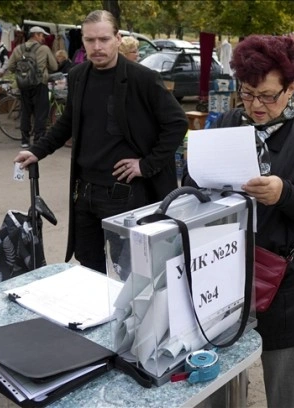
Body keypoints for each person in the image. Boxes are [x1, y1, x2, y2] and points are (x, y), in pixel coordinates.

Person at [184, 35, 294, 407]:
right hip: (223, 274)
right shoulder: (227, 121)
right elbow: (191, 185)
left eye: (268, 96)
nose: (256, 105)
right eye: (247, 93)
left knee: (284, 391)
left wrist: (284, 194)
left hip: (283, 281)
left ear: (291, 88)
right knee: (215, 382)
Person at [13, 10, 188, 274]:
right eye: (90, 40)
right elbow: (68, 122)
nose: (97, 47)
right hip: (85, 193)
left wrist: (147, 164)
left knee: (131, 270)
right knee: (88, 265)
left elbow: (177, 122)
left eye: (104, 39)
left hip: (125, 195)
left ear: (118, 38)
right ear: (82, 41)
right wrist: (37, 150)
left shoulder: (142, 78)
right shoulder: (78, 75)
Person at [8, 26, 58, 148]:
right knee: (41, 112)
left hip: (24, 85)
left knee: (26, 111)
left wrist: (22, 74)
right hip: (40, 83)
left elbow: (11, 66)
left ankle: (24, 140)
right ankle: (38, 140)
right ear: (35, 35)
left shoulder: (19, 48)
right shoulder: (44, 49)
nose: (43, 38)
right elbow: (54, 67)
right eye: (42, 35)